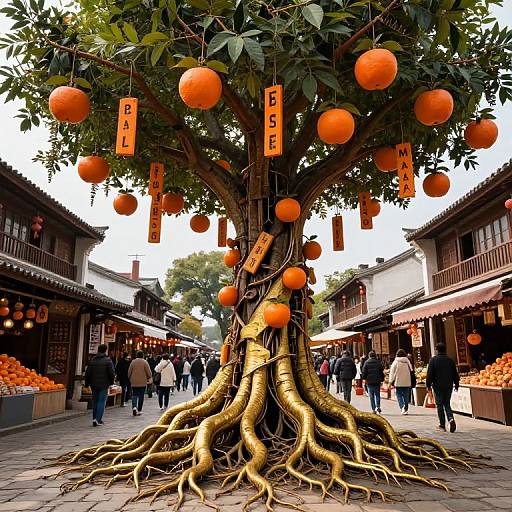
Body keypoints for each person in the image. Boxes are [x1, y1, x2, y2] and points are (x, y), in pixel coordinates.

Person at [426, 342, 460, 433]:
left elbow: (430, 374)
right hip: (448, 385)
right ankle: (451, 419)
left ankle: (442, 425)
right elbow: (455, 374)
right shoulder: (450, 360)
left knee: (440, 405)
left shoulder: (433, 360)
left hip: (437, 386)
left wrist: (428, 385)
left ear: (437, 350)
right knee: (447, 404)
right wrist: (456, 384)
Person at [84, 344, 115, 427]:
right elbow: (111, 373)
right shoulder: (108, 360)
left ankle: (94, 418)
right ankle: (98, 419)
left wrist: (87, 383)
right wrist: (112, 382)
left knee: (95, 401)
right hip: (104, 384)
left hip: (93, 384)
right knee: (101, 401)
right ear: (105, 350)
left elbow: (87, 373)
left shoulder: (93, 360)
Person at [128, 351, 153, 416]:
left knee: (134, 394)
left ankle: (134, 407)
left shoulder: (133, 362)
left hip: (134, 381)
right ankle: (139, 410)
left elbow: (129, 372)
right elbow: (149, 372)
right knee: (141, 396)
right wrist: (149, 377)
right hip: (142, 382)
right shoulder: (145, 362)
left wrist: (130, 378)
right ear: (143, 355)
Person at [389, 349, 413, 415]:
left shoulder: (395, 362)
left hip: (398, 382)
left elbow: (392, 373)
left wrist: (390, 382)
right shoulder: (407, 361)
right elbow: (411, 370)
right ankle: (406, 409)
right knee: (406, 396)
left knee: (399, 395)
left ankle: (402, 407)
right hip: (407, 382)